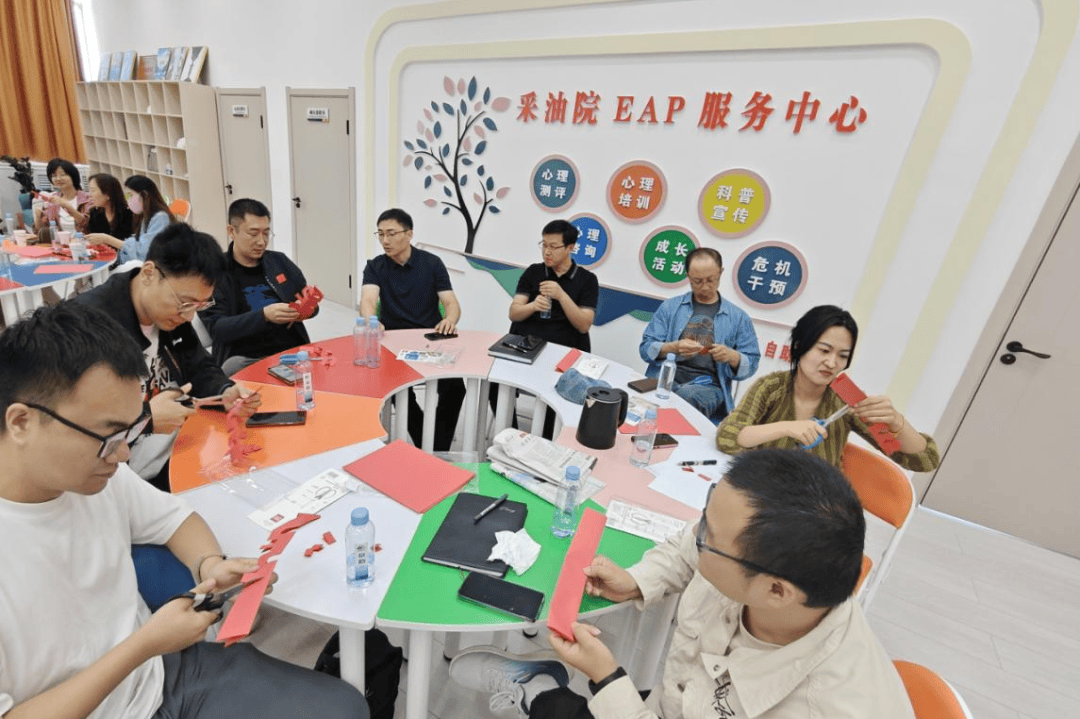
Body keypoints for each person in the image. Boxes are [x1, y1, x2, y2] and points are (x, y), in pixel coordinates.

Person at [0, 301, 368, 719]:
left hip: (163, 677)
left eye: (131, 432)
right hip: (125, 676)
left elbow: (175, 519)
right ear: (21, 422)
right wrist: (144, 644)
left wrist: (209, 564)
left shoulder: (96, 476)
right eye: (108, 438)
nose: (123, 455)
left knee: (345, 708)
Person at [448, 449, 915, 719]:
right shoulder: (764, 568)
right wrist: (636, 581)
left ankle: (539, 691)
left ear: (776, 591)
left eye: (709, 536)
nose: (697, 535)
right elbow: (688, 546)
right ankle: (541, 690)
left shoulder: (825, 705)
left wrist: (607, 675)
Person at [76, 223, 261, 488]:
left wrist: (224, 391)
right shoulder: (87, 327)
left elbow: (198, 365)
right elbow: (79, 425)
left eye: (200, 305)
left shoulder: (170, 315)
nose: (189, 316)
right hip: (118, 477)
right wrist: (146, 418)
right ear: (149, 273)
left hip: (179, 450)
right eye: (184, 303)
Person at [716, 304, 940, 471]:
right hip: (760, 489)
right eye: (824, 350)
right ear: (799, 346)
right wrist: (787, 428)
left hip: (817, 502)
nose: (832, 363)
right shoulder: (771, 386)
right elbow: (727, 437)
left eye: (843, 356)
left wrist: (896, 422)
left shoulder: (848, 398)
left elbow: (925, 461)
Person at [360, 208, 465, 451]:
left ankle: (438, 446)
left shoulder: (431, 263)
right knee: (398, 393)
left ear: (409, 234)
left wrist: (450, 320)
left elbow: (451, 303)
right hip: (393, 342)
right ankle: (428, 445)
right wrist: (371, 321)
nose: (385, 240)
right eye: (381, 234)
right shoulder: (375, 266)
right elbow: (368, 299)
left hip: (430, 340)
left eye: (391, 233)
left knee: (455, 389)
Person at [493, 219, 600, 437]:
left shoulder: (587, 280)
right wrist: (533, 306)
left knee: (557, 392)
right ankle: (511, 435)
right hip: (526, 348)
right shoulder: (533, 272)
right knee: (494, 385)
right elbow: (514, 312)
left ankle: (544, 440)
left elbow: (584, 325)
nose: (547, 252)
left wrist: (561, 295)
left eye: (553, 246)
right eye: (544, 245)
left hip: (562, 354)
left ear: (570, 248)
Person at [638, 247, 760, 423]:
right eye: (697, 281)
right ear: (688, 276)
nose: (705, 287)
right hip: (664, 376)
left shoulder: (738, 318)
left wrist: (732, 356)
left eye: (711, 280)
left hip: (708, 386)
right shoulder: (671, 307)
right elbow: (645, 349)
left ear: (721, 273)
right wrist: (673, 347)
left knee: (685, 397)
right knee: (640, 394)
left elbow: (752, 362)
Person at [199, 198, 316, 375]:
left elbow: (309, 302)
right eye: (253, 234)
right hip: (245, 359)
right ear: (232, 231)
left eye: (266, 233)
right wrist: (264, 316)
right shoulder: (214, 272)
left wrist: (306, 309)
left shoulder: (279, 262)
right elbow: (217, 329)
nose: (261, 242)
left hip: (291, 353)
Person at [114, 175, 175, 264]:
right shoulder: (145, 216)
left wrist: (109, 240)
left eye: (131, 195)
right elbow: (140, 243)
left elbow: (143, 254)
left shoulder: (160, 218)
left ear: (145, 195)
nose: (129, 200)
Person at [32, 157, 92, 234]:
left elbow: (88, 225)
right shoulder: (53, 200)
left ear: (73, 176)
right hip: (62, 241)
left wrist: (66, 206)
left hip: (86, 240)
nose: (58, 179)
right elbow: (42, 232)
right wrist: (38, 217)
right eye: (54, 176)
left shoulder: (87, 198)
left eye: (62, 175)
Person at [83, 172, 135, 244]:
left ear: (108, 194)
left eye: (93, 190)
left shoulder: (130, 214)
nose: (89, 195)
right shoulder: (94, 213)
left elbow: (133, 246)